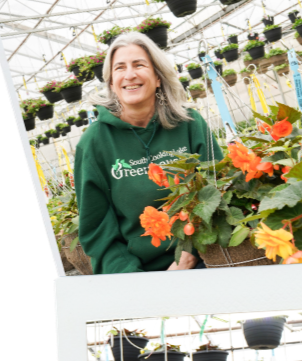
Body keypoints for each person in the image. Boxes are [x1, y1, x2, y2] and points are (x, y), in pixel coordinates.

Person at [73, 32, 223, 274]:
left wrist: (189, 254)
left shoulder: (190, 124)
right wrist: (139, 284)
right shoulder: (94, 144)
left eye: (139, 65)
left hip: (206, 257)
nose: (129, 74)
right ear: (112, 83)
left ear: (158, 78)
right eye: (119, 68)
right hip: (139, 273)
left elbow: (219, 191)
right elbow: (98, 231)